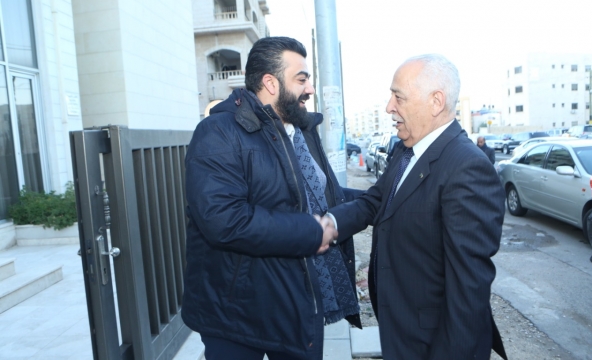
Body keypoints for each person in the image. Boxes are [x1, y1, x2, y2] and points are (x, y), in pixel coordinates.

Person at [182, 36, 362, 360]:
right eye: (301, 80)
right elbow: (224, 221)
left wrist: (378, 199)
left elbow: (323, 197)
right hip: (234, 316)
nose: (310, 89)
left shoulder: (301, 131)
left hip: (295, 304)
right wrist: (312, 232)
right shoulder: (218, 133)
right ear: (271, 83)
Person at [323, 54, 507, 359]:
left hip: (432, 344)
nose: (389, 107)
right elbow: (377, 200)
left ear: (436, 102)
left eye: (399, 97)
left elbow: (467, 293)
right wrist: (331, 223)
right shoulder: (405, 150)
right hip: (400, 330)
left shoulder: (467, 168)